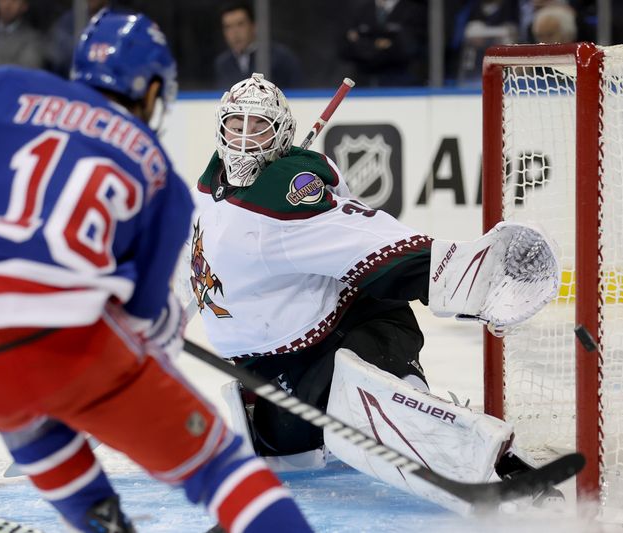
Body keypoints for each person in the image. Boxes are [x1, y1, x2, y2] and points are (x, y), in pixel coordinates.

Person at [0, 11, 313, 533]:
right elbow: (144, 327)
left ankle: (98, 520)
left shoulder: (13, 88)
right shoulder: (161, 180)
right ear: (152, 89)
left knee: (28, 412)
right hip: (53, 341)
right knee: (221, 467)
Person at [180, 72, 563, 512]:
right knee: (289, 457)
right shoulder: (209, 189)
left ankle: (493, 462)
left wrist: (469, 278)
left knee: (386, 406)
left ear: (281, 133)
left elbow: (372, 243)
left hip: (350, 330)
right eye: (237, 125)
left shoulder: (282, 204)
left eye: (259, 127)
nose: (245, 139)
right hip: (273, 369)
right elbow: (190, 267)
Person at [214, 1, 302, 89]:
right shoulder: (222, 64)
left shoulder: (280, 57)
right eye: (228, 27)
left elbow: (299, 96)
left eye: (240, 24)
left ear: (253, 26)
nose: (234, 32)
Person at [339, 0, 428, 87]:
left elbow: (408, 48)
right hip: (363, 82)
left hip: (400, 82)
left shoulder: (413, 9)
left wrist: (363, 43)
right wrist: (380, 44)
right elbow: (345, 47)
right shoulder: (361, 9)